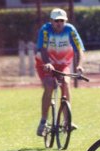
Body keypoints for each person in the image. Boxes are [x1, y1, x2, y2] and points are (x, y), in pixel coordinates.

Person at [35, 8, 85, 136]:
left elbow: (80, 50)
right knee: (49, 85)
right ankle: (43, 121)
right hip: (45, 63)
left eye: (62, 21)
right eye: (56, 21)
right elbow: (43, 49)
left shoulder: (70, 30)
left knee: (66, 84)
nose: (59, 23)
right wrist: (47, 63)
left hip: (63, 64)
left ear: (65, 21)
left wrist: (79, 66)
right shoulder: (45, 30)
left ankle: (67, 121)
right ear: (51, 21)